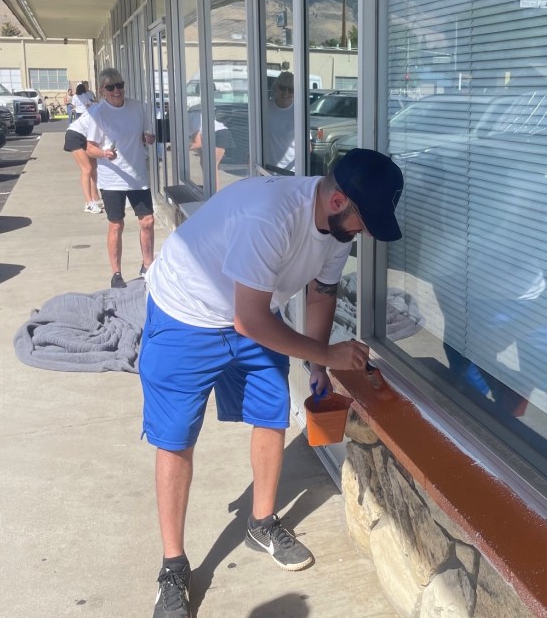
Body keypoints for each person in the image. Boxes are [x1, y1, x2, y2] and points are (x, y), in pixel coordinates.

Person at [139, 148, 404, 617]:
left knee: (271, 411)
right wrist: (327, 353)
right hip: (187, 313)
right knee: (176, 437)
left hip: (252, 314)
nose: (365, 230)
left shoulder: (337, 228)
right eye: (366, 218)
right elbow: (249, 320)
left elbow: (321, 295)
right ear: (339, 199)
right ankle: (173, 565)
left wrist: (318, 365)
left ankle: (261, 523)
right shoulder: (272, 217)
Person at [80, 68, 156, 288]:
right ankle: (116, 274)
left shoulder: (139, 108)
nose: (117, 91)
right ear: (102, 91)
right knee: (116, 225)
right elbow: (89, 147)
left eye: (119, 85)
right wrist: (104, 153)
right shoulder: (97, 113)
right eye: (110, 87)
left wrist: (147, 137)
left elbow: (144, 134)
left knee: (148, 221)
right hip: (112, 179)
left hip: (137, 176)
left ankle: (147, 266)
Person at [62, 117, 104, 214]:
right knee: (87, 169)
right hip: (74, 135)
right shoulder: (100, 113)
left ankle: (96, 198)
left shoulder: (104, 111)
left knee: (94, 166)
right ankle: (88, 203)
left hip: (86, 137)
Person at [263, 71, 296, 172]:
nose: (286, 93)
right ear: (276, 87)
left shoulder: (298, 112)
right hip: (265, 167)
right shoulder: (265, 106)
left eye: (291, 90)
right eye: (282, 88)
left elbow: (308, 148)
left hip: (289, 170)